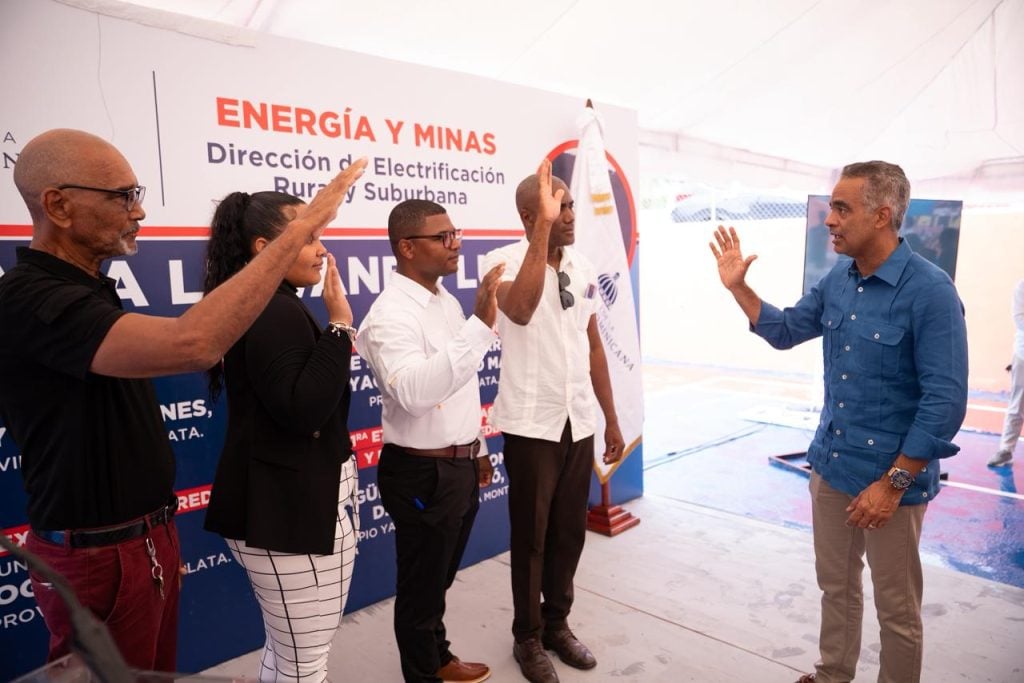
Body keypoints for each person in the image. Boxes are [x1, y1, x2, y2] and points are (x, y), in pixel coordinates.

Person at [0, 128, 365, 670]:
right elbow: (193, 344)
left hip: (142, 542)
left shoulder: (88, 288)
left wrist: (158, 540)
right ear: (59, 205)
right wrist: (301, 232)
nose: (139, 210)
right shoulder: (30, 298)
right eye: (123, 196)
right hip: (101, 556)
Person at [709, 160, 968, 683]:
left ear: (882, 215)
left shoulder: (931, 291)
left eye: (842, 209)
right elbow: (785, 330)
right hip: (831, 468)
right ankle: (833, 675)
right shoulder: (839, 279)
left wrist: (893, 485)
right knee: (836, 587)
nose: (829, 219)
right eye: (831, 207)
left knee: (897, 610)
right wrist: (739, 288)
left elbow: (945, 403)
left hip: (891, 481)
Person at [201, 190, 359, 682]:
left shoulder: (271, 303)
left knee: (290, 653)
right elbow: (302, 409)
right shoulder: (273, 309)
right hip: (288, 511)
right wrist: (340, 325)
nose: (321, 249)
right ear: (264, 247)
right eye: (309, 237)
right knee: (304, 663)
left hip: (287, 507)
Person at [481, 160, 624, 683]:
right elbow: (519, 310)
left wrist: (610, 419)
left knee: (569, 533)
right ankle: (527, 636)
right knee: (532, 539)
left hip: (577, 421)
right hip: (531, 424)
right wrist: (541, 234)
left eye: (570, 206)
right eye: (558, 207)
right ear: (530, 215)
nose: (570, 215)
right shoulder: (500, 263)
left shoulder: (582, 266)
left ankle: (557, 625)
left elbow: (593, 346)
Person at [357, 198, 504, 683]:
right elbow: (417, 394)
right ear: (407, 248)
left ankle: (438, 658)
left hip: (458, 465)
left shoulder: (444, 300)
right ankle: (424, 674)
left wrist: (478, 447)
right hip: (422, 471)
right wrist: (479, 326)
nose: (455, 244)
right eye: (443, 237)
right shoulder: (388, 316)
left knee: (437, 580)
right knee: (421, 587)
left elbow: (460, 385)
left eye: (455, 233)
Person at [989, 278, 1024, 466]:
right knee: (1017, 404)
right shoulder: (1021, 287)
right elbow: (1020, 320)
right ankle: (1006, 450)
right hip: (1023, 354)